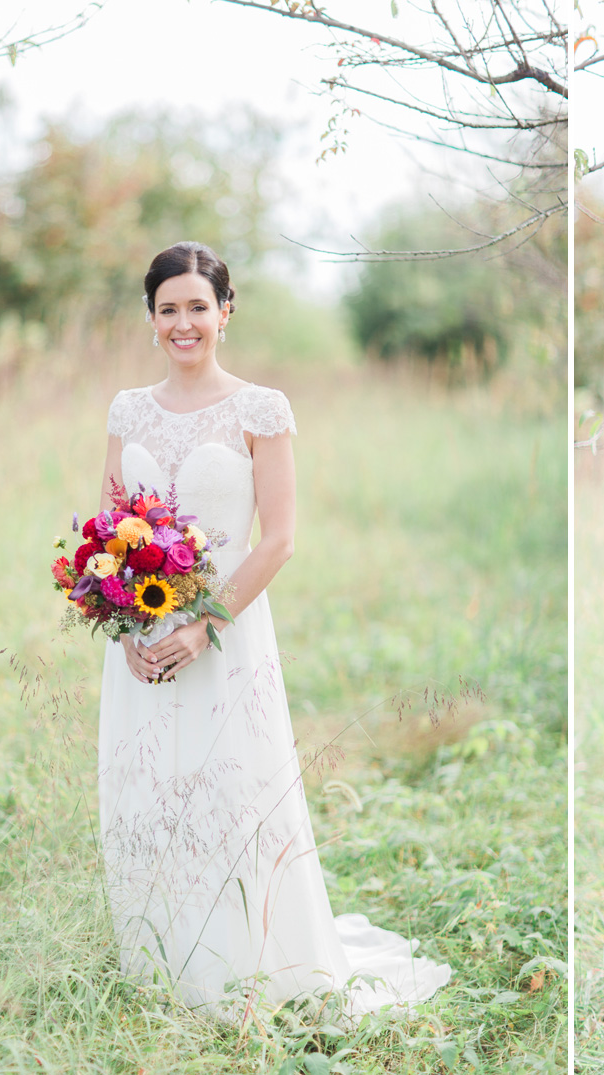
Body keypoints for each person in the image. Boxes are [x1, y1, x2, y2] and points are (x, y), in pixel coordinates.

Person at [97, 240, 452, 1021]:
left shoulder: (261, 408)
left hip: (226, 637)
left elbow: (279, 537)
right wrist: (124, 624)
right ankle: (163, 955)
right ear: (150, 317)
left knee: (233, 790)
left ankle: (246, 958)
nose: (183, 323)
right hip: (142, 636)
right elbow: (109, 527)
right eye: (168, 309)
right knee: (150, 795)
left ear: (226, 312)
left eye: (198, 307)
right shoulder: (129, 409)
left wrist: (202, 629)